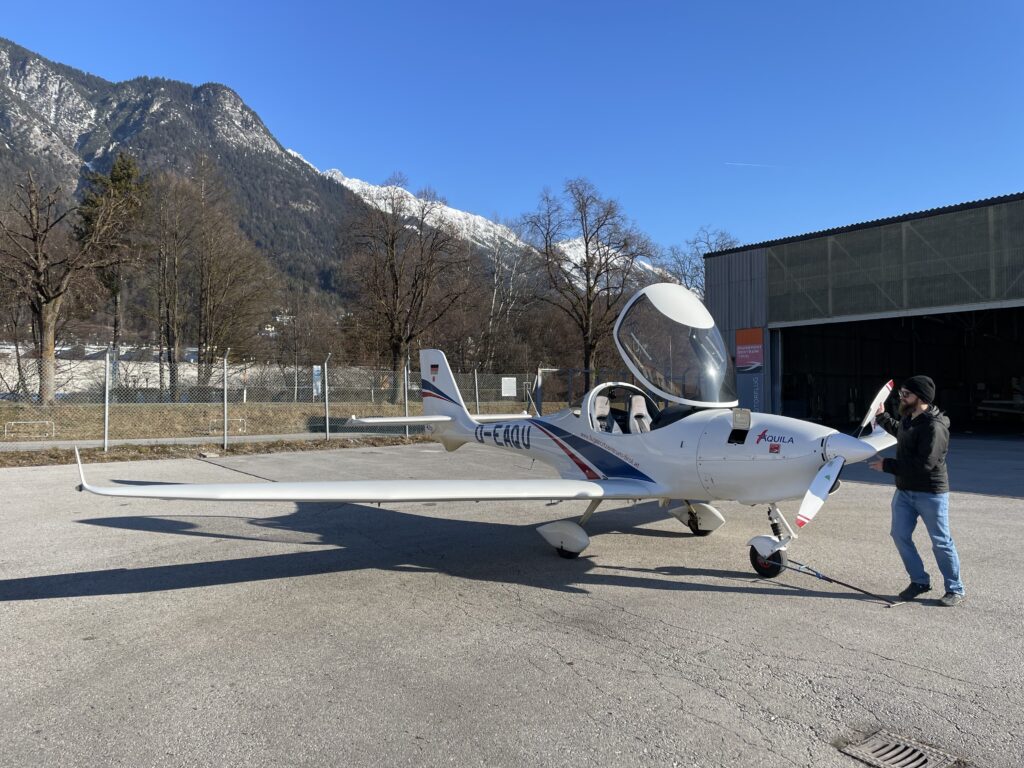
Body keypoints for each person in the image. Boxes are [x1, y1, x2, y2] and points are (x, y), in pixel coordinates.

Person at [868, 375, 965, 606]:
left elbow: (924, 465)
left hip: (931, 493)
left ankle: (955, 589)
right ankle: (920, 581)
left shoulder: (935, 427)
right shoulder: (909, 418)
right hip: (904, 492)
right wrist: (881, 416)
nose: (901, 397)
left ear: (920, 398)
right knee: (900, 535)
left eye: (906, 394)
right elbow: (900, 431)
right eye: (901, 393)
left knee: (941, 541)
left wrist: (888, 466)